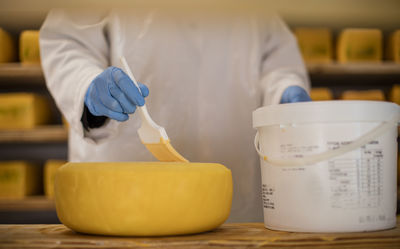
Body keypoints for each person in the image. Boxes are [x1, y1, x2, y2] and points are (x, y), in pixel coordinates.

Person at [39, 7, 310, 223]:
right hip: (121, 206)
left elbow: (275, 57)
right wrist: (87, 86)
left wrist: (283, 91)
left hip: (235, 201)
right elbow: (66, 41)